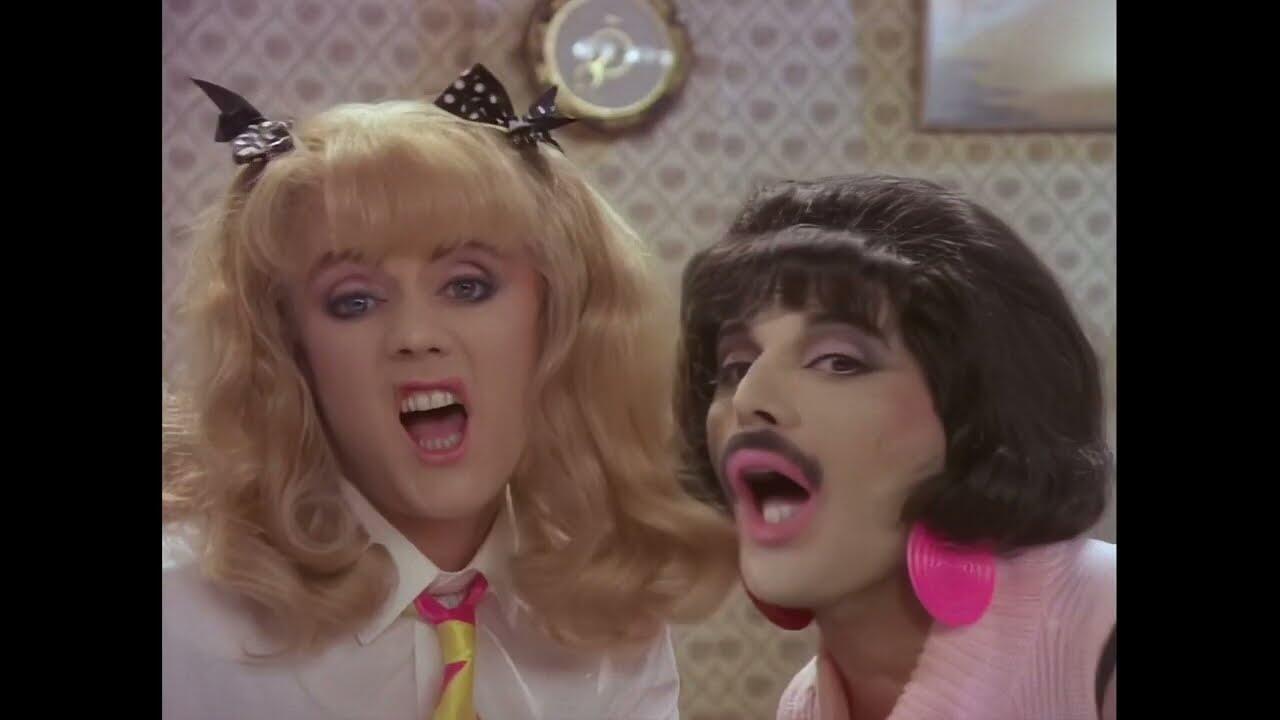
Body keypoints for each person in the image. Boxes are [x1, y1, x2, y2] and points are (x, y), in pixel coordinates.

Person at [162, 64, 734, 720]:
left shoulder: (610, 619)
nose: (415, 335)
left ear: (557, 317)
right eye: (354, 301)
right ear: (290, 347)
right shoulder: (179, 620)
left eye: (467, 286)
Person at [675, 175, 1116, 719]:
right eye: (735, 366)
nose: (748, 398)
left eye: (838, 362)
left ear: (975, 412)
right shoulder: (804, 706)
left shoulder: (1103, 625)